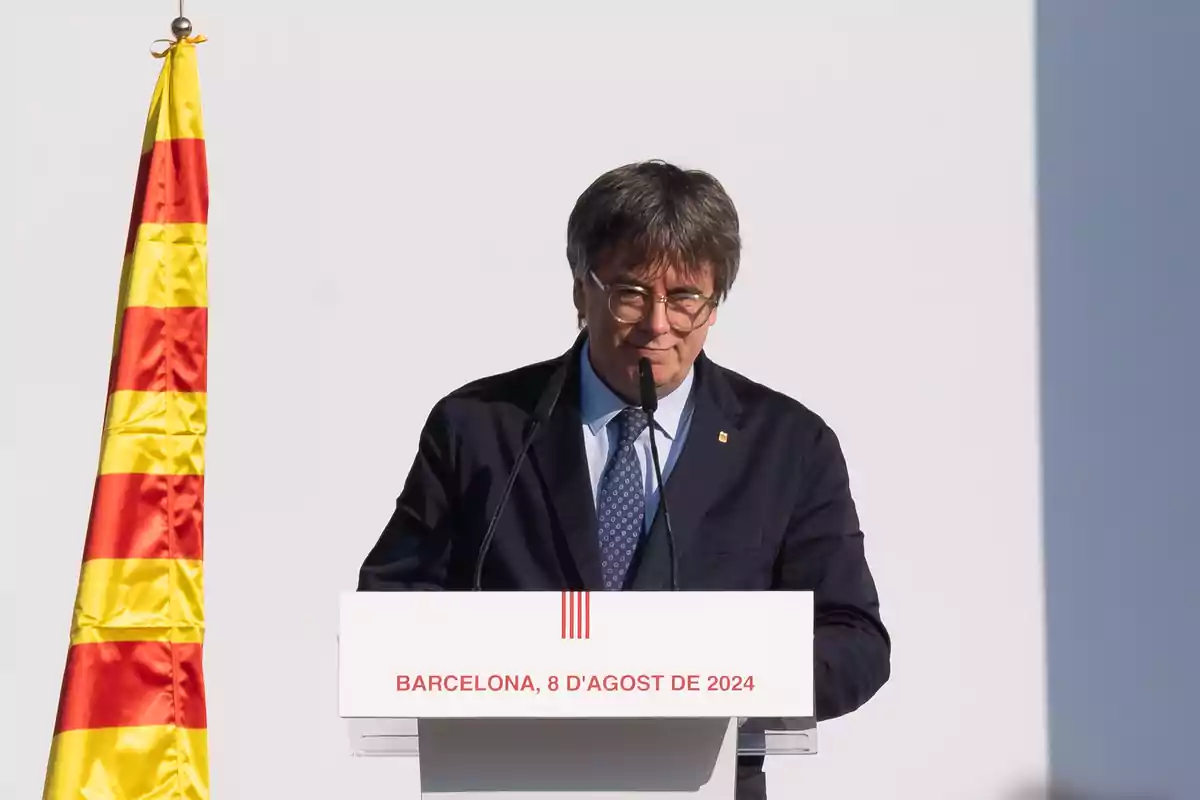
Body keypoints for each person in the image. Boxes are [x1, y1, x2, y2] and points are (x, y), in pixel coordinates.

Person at [357, 159, 891, 799]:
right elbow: (391, 607)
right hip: (509, 780)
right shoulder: (478, 428)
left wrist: (736, 675)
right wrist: (508, 669)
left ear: (715, 305)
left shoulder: (788, 445)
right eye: (632, 292)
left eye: (685, 297)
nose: (658, 325)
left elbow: (855, 642)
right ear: (582, 291)